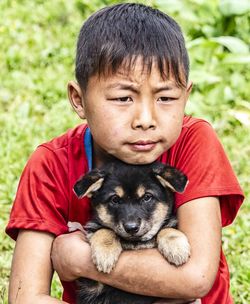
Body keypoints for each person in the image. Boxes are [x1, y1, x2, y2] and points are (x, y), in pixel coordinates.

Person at [6, 3, 244, 304]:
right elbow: (25, 297)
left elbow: (194, 278)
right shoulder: (51, 164)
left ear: (186, 97)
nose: (145, 118)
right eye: (123, 97)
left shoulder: (194, 141)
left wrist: (80, 258)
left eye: (166, 97)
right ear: (78, 100)